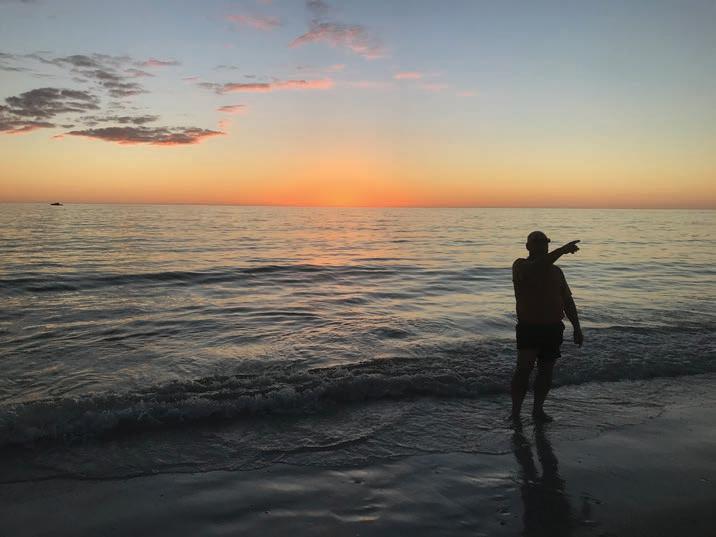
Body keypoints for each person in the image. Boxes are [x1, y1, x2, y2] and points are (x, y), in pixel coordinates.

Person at [510, 231, 583, 422]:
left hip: (553, 327)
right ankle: (515, 413)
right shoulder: (520, 266)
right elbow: (536, 267)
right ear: (528, 246)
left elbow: (567, 301)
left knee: (546, 371)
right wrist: (562, 250)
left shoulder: (556, 271)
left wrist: (577, 327)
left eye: (545, 242)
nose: (542, 245)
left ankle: (538, 411)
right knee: (523, 370)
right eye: (537, 242)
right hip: (529, 328)